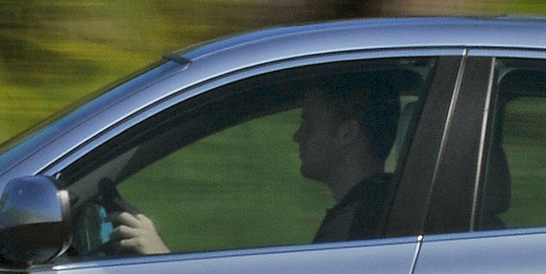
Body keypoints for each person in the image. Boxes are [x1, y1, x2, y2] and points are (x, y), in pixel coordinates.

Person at [111, 70, 406, 255]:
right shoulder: (373, 210)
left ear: (346, 134)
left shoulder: (357, 224)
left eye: (308, 122)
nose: (296, 135)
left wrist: (161, 258)